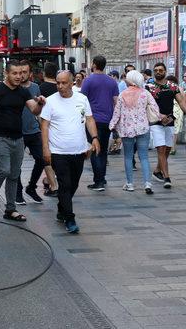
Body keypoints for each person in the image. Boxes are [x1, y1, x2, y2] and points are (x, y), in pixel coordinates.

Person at [0, 60, 46, 222]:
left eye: (21, 73)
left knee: (14, 174)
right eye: (15, 73)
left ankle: (10, 209)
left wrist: (40, 103)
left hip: (18, 138)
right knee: (3, 170)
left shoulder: (23, 92)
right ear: (7, 73)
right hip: (0, 137)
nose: (19, 76)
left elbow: (34, 110)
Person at [41, 70, 100, 234]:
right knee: (65, 184)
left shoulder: (82, 99)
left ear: (72, 82)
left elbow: (89, 119)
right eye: (58, 83)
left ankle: (62, 208)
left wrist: (94, 138)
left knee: (73, 184)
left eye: (64, 83)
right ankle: (70, 218)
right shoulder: (50, 101)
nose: (60, 86)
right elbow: (44, 125)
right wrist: (46, 148)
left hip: (79, 150)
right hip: (58, 151)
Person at [109, 70, 159, 194]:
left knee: (128, 156)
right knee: (144, 157)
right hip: (143, 128)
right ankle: (147, 183)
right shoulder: (145, 93)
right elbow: (155, 108)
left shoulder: (122, 94)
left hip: (127, 129)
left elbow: (117, 112)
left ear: (130, 79)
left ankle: (130, 183)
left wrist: (112, 125)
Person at [81, 55, 119, 191]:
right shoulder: (112, 81)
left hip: (92, 120)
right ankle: (102, 178)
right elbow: (116, 102)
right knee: (102, 150)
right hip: (107, 120)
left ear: (94, 64)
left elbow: (81, 100)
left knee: (94, 149)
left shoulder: (88, 80)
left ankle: (98, 181)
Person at [147, 63, 186, 188]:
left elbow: (181, 101)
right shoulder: (149, 87)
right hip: (155, 122)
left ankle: (157, 171)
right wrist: (158, 115)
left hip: (169, 122)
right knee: (161, 149)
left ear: (165, 72)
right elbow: (146, 105)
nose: (158, 72)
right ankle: (167, 178)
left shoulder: (172, 86)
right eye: (156, 70)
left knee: (168, 149)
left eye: (161, 70)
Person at [16, 60, 47, 204]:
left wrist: (43, 128)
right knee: (17, 164)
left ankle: (32, 187)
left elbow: (39, 111)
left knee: (41, 159)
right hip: (17, 132)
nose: (21, 75)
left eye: (24, 72)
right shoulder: (14, 88)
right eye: (19, 72)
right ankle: (18, 192)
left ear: (30, 73)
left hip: (34, 131)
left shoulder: (35, 88)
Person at [38, 62, 60, 197]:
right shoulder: (61, 87)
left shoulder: (40, 88)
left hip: (45, 126)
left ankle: (53, 185)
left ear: (44, 73)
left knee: (46, 156)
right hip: (59, 126)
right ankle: (51, 179)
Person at [167, 75, 183, 156]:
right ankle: (171, 147)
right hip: (171, 111)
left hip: (177, 111)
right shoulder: (167, 88)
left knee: (174, 130)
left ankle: (173, 148)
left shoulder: (178, 88)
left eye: (170, 81)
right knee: (171, 130)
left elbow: (183, 100)